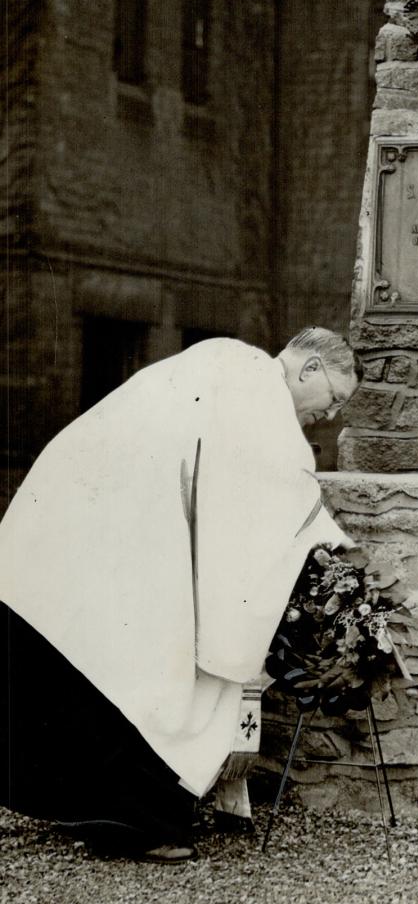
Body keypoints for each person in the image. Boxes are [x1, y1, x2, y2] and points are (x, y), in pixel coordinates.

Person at [0, 326, 361, 862]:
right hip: (107, 526)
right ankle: (133, 824)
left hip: (83, 520)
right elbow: (280, 486)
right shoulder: (257, 387)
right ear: (308, 369)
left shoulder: (228, 363)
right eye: (334, 398)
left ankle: (108, 817)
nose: (330, 416)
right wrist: (344, 556)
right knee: (148, 673)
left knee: (102, 661)